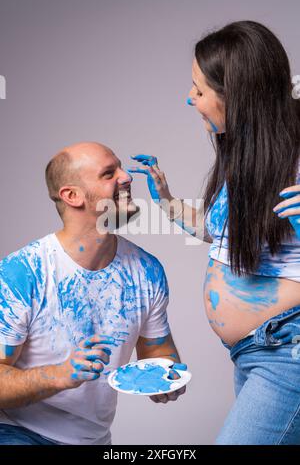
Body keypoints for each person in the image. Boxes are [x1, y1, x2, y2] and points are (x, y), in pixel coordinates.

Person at [128, 20, 300, 445]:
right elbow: (221, 233)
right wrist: (166, 199)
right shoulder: (251, 153)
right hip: (253, 353)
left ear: (237, 94)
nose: (190, 99)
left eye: (200, 90)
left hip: (287, 354)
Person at [0, 141, 186, 446]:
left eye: (121, 169)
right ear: (72, 196)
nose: (127, 177)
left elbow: (158, 353)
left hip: (94, 440)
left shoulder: (147, 271)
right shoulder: (23, 271)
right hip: (16, 432)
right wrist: (58, 375)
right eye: (108, 173)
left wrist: (165, 380)